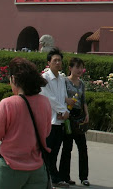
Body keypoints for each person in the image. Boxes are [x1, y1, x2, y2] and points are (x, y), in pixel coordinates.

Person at [0, 57, 52, 189]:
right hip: (37, 168)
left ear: (14, 79)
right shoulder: (44, 102)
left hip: (10, 167)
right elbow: (46, 132)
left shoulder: (7, 104)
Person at [58, 57, 91, 186]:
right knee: (67, 147)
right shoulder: (64, 82)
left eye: (81, 67)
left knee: (83, 148)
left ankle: (84, 177)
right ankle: (64, 176)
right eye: (76, 67)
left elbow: (83, 101)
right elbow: (60, 96)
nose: (79, 70)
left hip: (79, 117)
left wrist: (87, 114)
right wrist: (67, 101)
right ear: (70, 68)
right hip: (68, 116)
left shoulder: (82, 84)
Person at [41, 48, 70, 188]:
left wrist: (64, 111)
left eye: (60, 60)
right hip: (49, 121)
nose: (58, 63)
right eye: (55, 60)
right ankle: (49, 177)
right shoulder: (45, 78)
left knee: (55, 151)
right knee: (47, 151)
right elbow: (49, 98)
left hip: (59, 121)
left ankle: (53, 177)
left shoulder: (61, 78)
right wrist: (62, 110)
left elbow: (61, 97)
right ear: (49, 63)